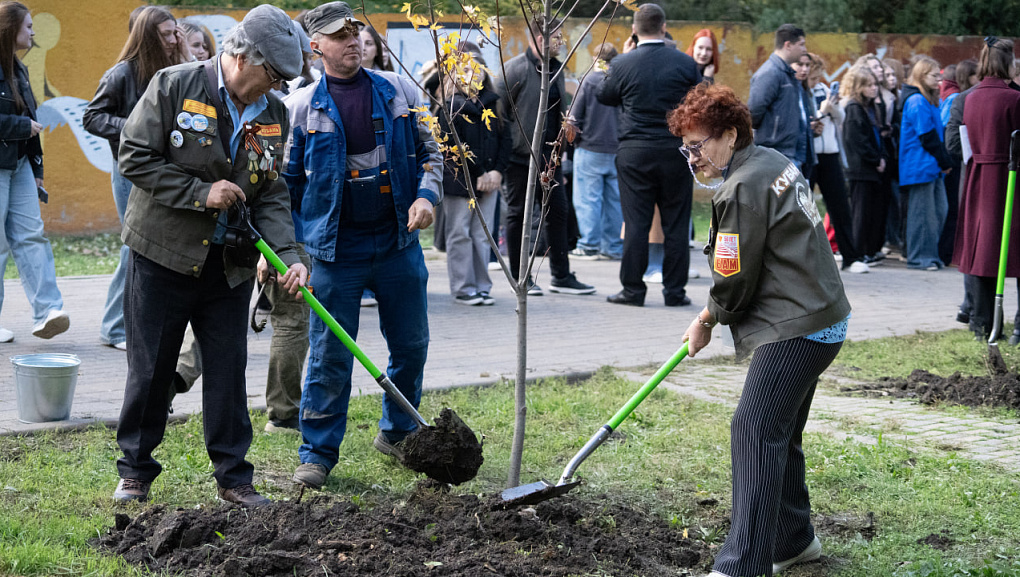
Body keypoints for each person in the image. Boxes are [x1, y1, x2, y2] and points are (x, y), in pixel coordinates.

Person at [112, 4, 308, 506]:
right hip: (162, 256)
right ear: (245, 58)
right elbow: (134, 156)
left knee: (227, 370)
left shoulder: (275, 115)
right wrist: (202, 194)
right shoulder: (174, 86)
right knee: (152, 370)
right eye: (274, 76)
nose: (277, 88)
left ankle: (234, 480)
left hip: (229, 265)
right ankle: (135, 470)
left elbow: (271, 193)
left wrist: (288, 253)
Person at [669, 82, 850, 577]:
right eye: (685, 147)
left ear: (729, 135)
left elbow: (733, 277)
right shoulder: (771, 160)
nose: (691, 158)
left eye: (698, 145)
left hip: (798, 326)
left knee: (753, 428)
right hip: (825, 314)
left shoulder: (741, 188)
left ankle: (743, 565)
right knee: (779, 430)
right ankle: (794, 540)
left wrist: (706, 318)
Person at [283, 2, 443, 490]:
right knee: (330, 353)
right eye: (339, 35)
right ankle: (317, 453)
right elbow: (286, 186)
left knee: (411, 345)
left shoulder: (397, 90)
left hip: (397, 242)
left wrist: (426, 195)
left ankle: (396, 433)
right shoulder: (302, 107)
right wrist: (290, 253)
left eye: (356, 31)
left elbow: (432, 152)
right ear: (316, 46)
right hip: (334, 250)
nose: (352, 40)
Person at [84, 6, 188, 351]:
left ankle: (136, 324)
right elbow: (93, 117)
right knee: (135, 246)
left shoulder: (172, 70)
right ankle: (115, 327)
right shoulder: (122, 73)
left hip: (163, 170)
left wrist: (183, 49)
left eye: (176, 32)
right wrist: (132, 128)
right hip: (130, 170)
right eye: (167, 34)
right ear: (147, 37)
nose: (174, 39)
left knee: (153, 248)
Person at [596, 3, 700, 307]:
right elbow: (700, 98)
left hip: (634, 152)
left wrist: (620, 59)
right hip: (674, 151)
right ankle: (674, 292)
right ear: (664, 27)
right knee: (677, 224)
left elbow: (604, 95)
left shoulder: (623, 64)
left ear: (634, 30)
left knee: (636, 223)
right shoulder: (685, 63)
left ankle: (632, 290)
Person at [497, 16, 595, 296]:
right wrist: (513, 149)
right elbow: (501, 116)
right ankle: (520, 276)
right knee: (519, 215)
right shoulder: (513, 70)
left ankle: (561, 276)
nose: (562, 42)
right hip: (520, 158)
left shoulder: (556, 67)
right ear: (540, 40)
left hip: (550, 158)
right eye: (557, 37)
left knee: (558, 212)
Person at [0, 1, 69, 343]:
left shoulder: (18, 68)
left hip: (20, 164)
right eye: (28, 26)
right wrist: (20, 127)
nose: (33, 32)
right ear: (9, 28)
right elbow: (25, 123)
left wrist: (37, 167)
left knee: (32, 236)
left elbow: (33, 120)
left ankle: (48, 312)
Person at [953, 37, 1020, 339]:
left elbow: (960, 144)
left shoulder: (967, 98)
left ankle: (982, 325)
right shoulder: (1015, 98)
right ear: (1008, 62)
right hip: (1009, 179)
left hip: (978, 178)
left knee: (983, 250)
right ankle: (1016, 327)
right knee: (1013, 248)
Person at [437, 42, 509, 305]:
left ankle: (482, 286)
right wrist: (479, 171)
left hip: (490, 180)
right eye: (466, 68)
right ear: (454, 74)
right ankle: (463, 287)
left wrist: (497, 171)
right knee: (460, 233)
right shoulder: (449, 107)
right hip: (459, 181)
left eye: (477, 68)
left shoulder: (494, 102)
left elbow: (506, 140)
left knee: (483, 232)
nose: (473, 73)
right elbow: (454, 146)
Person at [808, 54, 867, 273]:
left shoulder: (824, 90)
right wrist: (822, 111)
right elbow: (808, 121)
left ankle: (851, 256)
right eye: (812, 76)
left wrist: (832, 109)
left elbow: (841, 119)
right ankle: (809, 257)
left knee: (840, 206)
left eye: (817, 74)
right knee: (805, 207)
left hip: (830, 154)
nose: (815, 79)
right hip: (810, 156)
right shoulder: (799, 91)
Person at [567, 42, 622, 261]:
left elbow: (574, 117)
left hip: (590, 148)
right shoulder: (620, 83)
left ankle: (589, 245)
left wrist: (574, 141)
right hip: (617, 149)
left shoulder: (589, 81)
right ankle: (614, 246)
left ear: (594, 60)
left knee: (588, 199)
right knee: (614, 201)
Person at [898, 55, 952, 271]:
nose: (938, 80)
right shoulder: (917, 101)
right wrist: (944, 160)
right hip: (920, 166)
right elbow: (927, 136)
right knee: (923, 216)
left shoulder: (927, 100)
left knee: (939, 211)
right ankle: (920, 257)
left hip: (930, 166)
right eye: (933, 76)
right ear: (921, 75)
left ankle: (930, 254)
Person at [842, 64, 891, 267]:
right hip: (860, 170)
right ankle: (858, 251)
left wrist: (881, 157)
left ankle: (869, 250)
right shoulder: (854, 109)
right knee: (860, 213)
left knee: (872, 212)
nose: (874, 88)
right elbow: (858, 141)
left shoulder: (871, 108)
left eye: (874, 84)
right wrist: (875, 159)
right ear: (858, 86)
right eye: (868, 85)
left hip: (872, 168)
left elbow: (876, 136)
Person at [747, 24, 808, 169]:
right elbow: (753, 112)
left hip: (789, 153)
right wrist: (771, 135)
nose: (805, 49)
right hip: (773, 154)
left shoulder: (789, 74)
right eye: (801, 44)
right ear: (788, 45)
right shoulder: (770, 73)